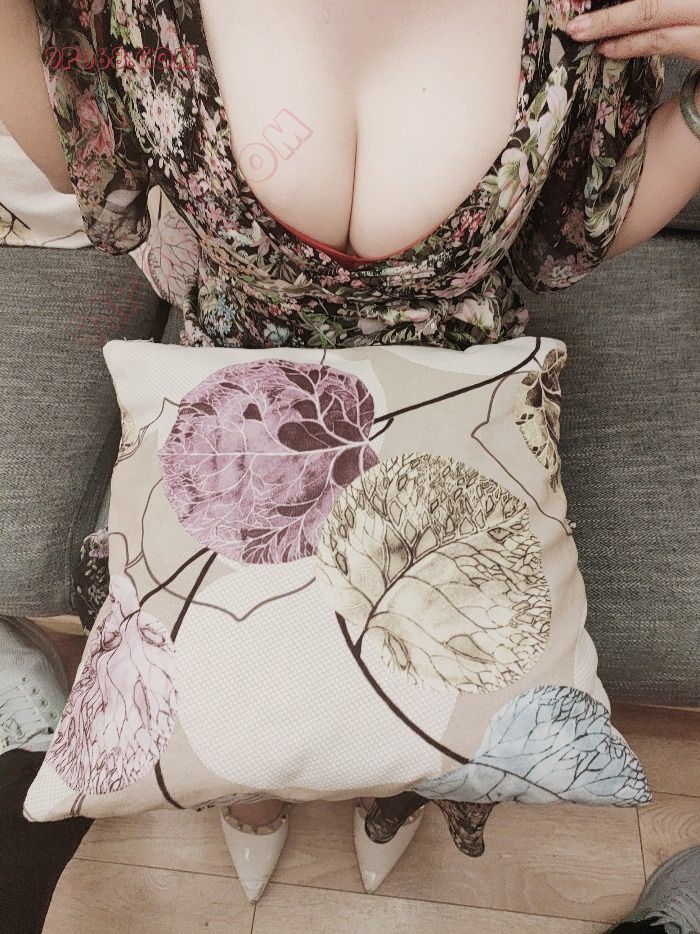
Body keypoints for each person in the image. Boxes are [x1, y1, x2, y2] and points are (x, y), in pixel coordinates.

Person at [1, 0, 699, 905]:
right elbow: (91, 156)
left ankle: (392, 789)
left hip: (455, 425)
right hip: (238, 432)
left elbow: (580, 226)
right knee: (240, 701)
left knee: (417, 690)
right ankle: (251, 795)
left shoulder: (587, 13)